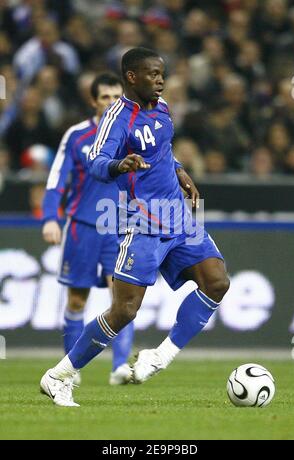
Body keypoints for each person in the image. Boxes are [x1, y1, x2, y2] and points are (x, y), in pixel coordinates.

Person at [40, 48, 230, 407]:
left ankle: (158, 357)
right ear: (132, 77)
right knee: (125, 310)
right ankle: (58, 376)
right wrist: (119, 165)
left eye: (162, 74)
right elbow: (95, 162)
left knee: (217, 281)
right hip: (139, 221)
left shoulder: (162, 108)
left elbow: (162, 149)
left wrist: (180, 170)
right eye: (153, 74)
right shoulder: (117, 118)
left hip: (178, 217)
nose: (161, 81)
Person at [42, 72, 134, 387]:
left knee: (123, 300)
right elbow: (56, 180)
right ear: (93, 101)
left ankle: (120, 367)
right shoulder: (77, 135)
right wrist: (50, 218)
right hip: (82, 227)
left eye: (116, 97)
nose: (111, 103)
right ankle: (70, 371)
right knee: (77, 300)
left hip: (119, 227)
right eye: (105, 97)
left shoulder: (132, 134)